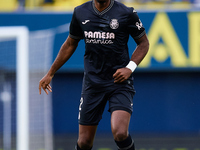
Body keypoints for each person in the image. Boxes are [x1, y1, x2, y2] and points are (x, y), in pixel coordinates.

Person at [39, 0, 149, 149]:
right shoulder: (80, 12)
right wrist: (50, 73)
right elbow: (70, 44)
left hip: (119, 82)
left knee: (120, 133)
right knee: (84, 142)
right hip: (93, 83)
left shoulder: (126, 13)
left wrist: (129, 68)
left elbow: (143, 43)